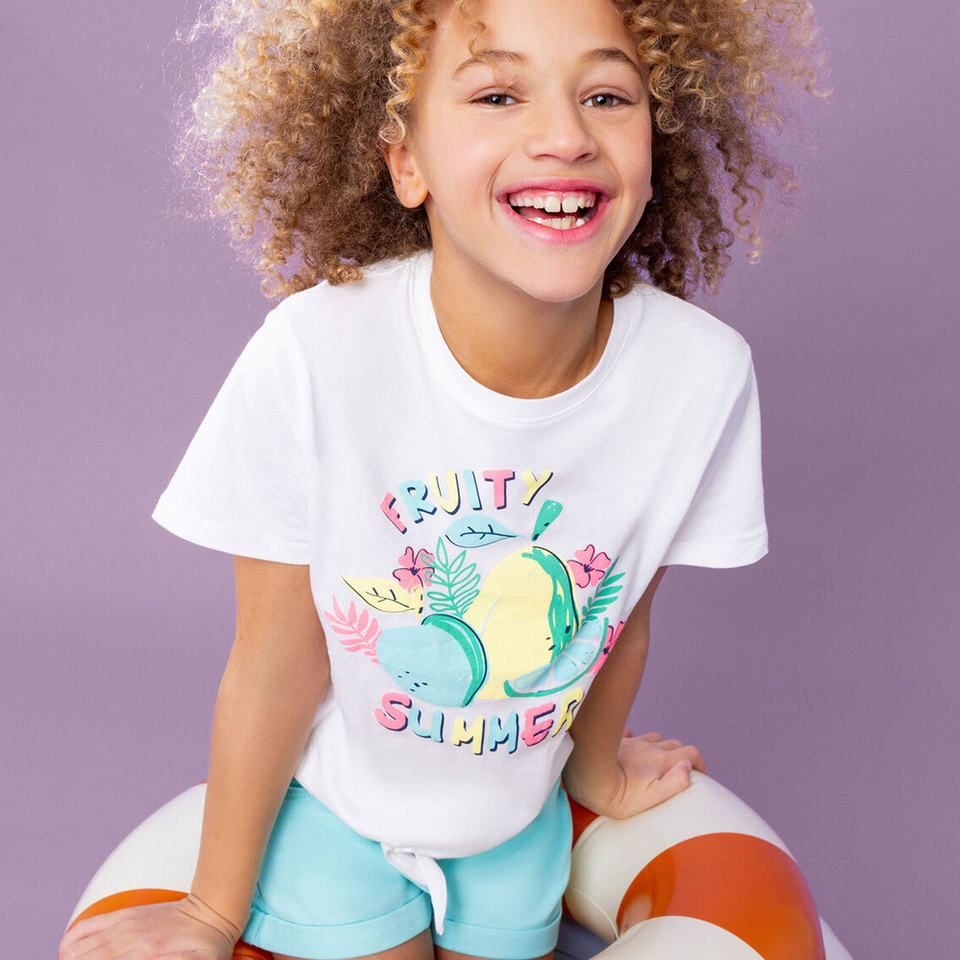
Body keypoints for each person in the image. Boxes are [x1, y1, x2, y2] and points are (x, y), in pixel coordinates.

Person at [59, 1, 825, 958]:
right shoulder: (316, 355)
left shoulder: (699, 376)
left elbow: (620, 615)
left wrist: (596, 774)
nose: (564, 135)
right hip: (334, 815)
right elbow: (273, 657)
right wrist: (211, 913)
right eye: (499, 95)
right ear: (405, 161)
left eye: (606, 96)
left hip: (516, 828)